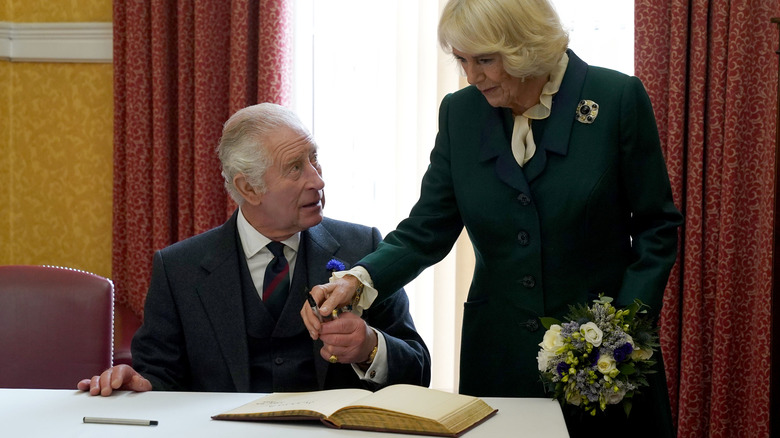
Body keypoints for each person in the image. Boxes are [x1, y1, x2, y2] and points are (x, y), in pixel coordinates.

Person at [301, 0, 682, 436]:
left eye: (485, 60)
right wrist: (357, 279)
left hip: (605, 360)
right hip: (499, 359)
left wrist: (621, 333)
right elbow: (427, 228)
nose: (471, 76)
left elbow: (656, 228)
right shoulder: (461, 112)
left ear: (527, 47)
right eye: (462, 60)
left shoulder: (616, 99)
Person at [78, 103, 431, 396]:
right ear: (249, 188)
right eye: (295, 168)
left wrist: (370, 347)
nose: (318, 180)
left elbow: (419, 372)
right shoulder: (178, 269)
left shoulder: (364, 249)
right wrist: (139, 386)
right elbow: (160, 377)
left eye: (314, 159)